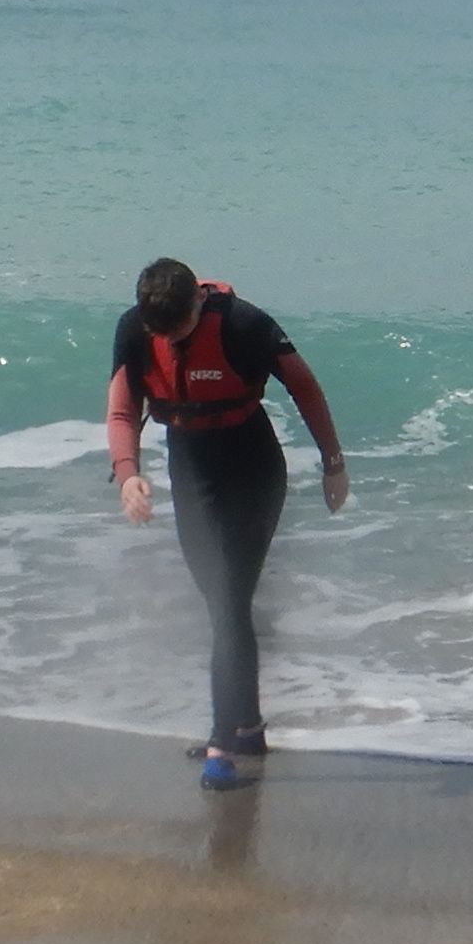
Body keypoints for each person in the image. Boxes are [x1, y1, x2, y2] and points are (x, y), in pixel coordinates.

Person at [109, 258, 348, 788]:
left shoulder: (244, 325)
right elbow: (123, 410)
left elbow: (306, 389)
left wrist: (334, 463)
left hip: (253, 471)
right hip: (190, 472)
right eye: (159, 331)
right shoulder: (134, 328)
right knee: (222, 603)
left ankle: (222, 742)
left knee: (227, 598)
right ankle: (247, 726)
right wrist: (128, 474)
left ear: (198, 301)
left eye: (178, 329)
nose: (168, 339)